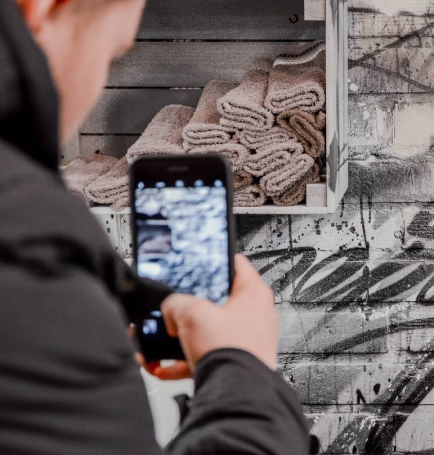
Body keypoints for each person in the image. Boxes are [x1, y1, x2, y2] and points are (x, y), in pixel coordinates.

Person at [0, 0, 311, 453]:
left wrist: (104, 297)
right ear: (43, 8)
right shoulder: (24, 255)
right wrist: (243, 370)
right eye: (111, 54)